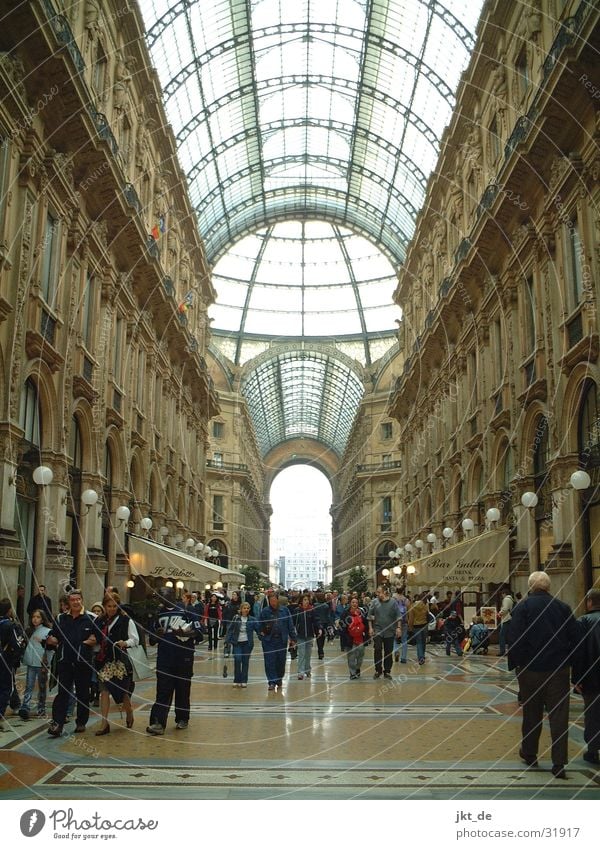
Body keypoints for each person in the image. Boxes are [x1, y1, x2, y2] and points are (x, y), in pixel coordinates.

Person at [508, 571, 579, 779]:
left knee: (532, 713)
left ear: (531, 587)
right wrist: (570, 665)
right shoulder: (563, 608)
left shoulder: (522, 608)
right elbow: (575, 638)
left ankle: (530, 753)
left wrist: (519, 665)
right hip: (558, 671)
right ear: (548, 587)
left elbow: (515, 639)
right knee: (559, 717)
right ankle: (559, 763)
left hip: (530, 670)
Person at [146, 587, 203, 735]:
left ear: (173, 595)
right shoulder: (158, 614)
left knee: (183, 689)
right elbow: (151, 639)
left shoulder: (186, 610)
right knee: (163, 690)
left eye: (164, 595)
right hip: (165, 657)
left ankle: (182, 718)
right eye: (160, 596)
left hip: (184, 656)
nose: (161, 599)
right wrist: (156, 635)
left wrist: (185, 632)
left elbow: (199, 633)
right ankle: (157, 722)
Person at [46, 589, 97, 737]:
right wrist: (52, 640)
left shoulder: (91, 618)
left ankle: (81, 722)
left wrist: (89, 642)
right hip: (65, 662)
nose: (76, 602)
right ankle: (58, 724)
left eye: (78, 599)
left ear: (82, 600)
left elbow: (98, 638)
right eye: (73, 599)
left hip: (83, 662)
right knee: (63, 693)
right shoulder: (61, 618)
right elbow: (54, 636)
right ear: (69, 602)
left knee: (82, 693)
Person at [93, 594, 138, 735]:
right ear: (104, 606)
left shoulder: (125, 620)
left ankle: (129, 711)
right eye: (109, 606)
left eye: (114, 606)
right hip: (103, 660)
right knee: (104, 691)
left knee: (122, 691)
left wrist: (125, 643)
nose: (111, 609)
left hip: (120, 662)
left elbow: (135, 639)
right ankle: (104, 723)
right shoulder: (99, 621)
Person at [572, 587, 600, 765]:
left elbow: (578, 652)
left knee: (592, 713)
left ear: (589, 602)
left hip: (592, 677)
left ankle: (593, 750)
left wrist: (576, 678)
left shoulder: (583, 621)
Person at [258, 593, 297, 691]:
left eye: (274, 601)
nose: (273, 603)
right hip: (269, 641)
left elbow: (290, 625)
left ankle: (279, 678)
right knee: (269, 661)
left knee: (280, 661)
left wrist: (293, 638)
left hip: (281, 640)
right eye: (271, 601)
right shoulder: (265, 612)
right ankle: (271, 681)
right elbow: (259, 624)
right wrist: (261, 635)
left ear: (278, 600)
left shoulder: (284, 610)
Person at [19, 609, 52, 720]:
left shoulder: (47, 631)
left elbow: (49, 649)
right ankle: (25, 706)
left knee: (42, 686)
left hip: (41, 663)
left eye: (38, 617)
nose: (35, 619)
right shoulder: (29, 630)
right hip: (31, 662)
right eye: (33, 616)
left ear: (42, 619)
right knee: (29, 685)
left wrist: (46, 662)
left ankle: (41, 707)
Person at [0, 599, 27, 732]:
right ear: (9, 610)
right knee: (6, 688)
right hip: (5, 660)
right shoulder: (10, 625)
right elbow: (19, 644)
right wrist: (16, 657)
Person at [368, 585, 402, 679]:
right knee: (377, 649)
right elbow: (369, 616)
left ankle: (387, 671)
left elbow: (398, 615)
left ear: (384, 592)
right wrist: (370, 628)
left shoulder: (393, 602)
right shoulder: (374, 602)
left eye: (379, 592)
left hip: (390, 631)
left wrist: (398, 627)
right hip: (378, 630)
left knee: (388, 651)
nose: (377, 594)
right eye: (377, 593)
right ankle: (378, 670)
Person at [224, 601, 260, 687]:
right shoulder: (236, 618)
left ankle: (244, 680)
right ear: (241, 609)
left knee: (245, 662)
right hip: (237, 643)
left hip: (248, 643)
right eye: (244, 608)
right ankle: (237, 679)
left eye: (248, 608)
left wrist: (264, 636)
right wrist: (227, 641)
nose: (246, 610)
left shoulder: (252, 620)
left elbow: (259, 630)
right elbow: (230, 630)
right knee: (237, 659)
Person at [342, 597, 369, 679]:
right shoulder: (346, 613)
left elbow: (366, 624)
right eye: (353, 602)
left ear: (358, 604)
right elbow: (342, 626)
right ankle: (352, 673)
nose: (354, 604)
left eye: (356, 602)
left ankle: (357, 668)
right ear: (350, 603)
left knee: (360, 655)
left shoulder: (361, 613)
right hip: (350, 639)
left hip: (360, 638)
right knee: (351, 656)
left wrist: (366, 634)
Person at [294, 595, 316, 679]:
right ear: (301, 601)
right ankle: (300, 672)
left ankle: (307, 670)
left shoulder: (311, 610)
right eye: (305, 599)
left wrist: (319, 629)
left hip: (309, 635)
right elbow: (294, 622)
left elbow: (316, 620)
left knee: (308, 654)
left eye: (307, 600)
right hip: (300, 635)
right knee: (301, 654)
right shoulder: (297, 611)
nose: (306, 601)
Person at [407, 591, 430, 665]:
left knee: (419, 643)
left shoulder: (412, 606)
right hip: (424, 626)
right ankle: (422, 656)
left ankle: (420, 658)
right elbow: (427, 615)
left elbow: (411, 618)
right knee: (423, 642)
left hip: (416, 626)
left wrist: (410, 627)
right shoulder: (425, 606)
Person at [498, 587, 514, 656]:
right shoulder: (511, 599)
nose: (502, 595)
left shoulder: (506, 599)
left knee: (502, 635)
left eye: (502, 594)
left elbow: (505, 609)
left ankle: (502, 651)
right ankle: (510, 650)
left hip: (506, 619)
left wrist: (499, 613)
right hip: (510, 618)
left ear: (504, 593)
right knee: (508, 636)